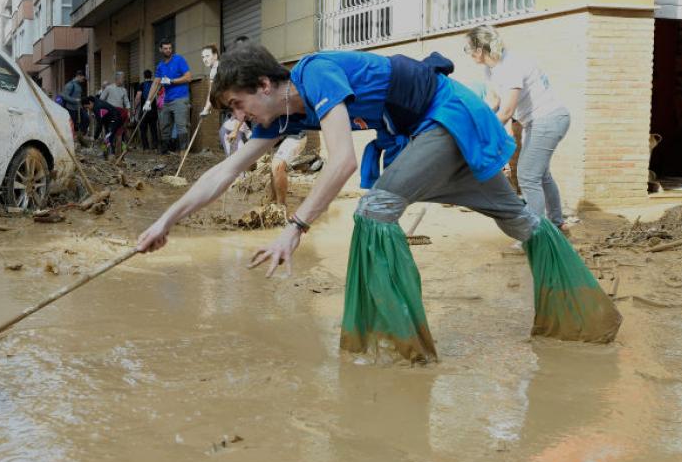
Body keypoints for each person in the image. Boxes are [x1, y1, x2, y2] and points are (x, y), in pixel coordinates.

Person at [135, 43, 620, 364]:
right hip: (424, 129)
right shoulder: (279, 118)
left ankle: (398, 348)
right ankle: (586, 320)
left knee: (376, 207)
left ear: (264, 85)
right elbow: (224, 171)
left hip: (446, 114)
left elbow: (343, 161)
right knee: (520, 220)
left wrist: (296, 227)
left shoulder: (315, 74)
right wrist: (164, 222)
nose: (239, 118)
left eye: (238, 105)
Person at [467, 25, 572, 232]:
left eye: (468, 49)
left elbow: (506, 111)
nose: (468, 54)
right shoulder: (491, 68)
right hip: (536, 122)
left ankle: (534, 233)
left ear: (479, 50)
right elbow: (494, 100)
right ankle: (557, 224)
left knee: (527, 175)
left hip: (548, 119)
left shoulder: (510, 66)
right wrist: (476, 123)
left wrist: (483, 133)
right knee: (541, 175)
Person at [154, 40, 193, 153]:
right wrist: (148, 101)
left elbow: (188, 77)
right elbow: (155, 83)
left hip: (180, 98)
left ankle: (183, 152)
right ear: (160, 50)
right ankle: (165, 153)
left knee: (181, 126)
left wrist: (171, 81)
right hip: (167, 100)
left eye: (170, 48)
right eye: (165, 48)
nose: (168, 50)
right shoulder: (160, 66)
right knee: (164, 126)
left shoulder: (179, 60)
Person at [99, 72, 132, 153]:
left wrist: (128, 111)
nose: (124, 80)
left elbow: (127, 102)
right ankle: (106, 151)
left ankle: (118, 153)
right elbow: (101, 99)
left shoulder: (124, 90)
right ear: (117, 78)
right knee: (109, 134)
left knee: (120, 134)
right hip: (110, 114)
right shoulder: (109, 88)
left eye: (124, 78)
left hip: (120, 114)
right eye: (123, 78)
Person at [135, 69, 161, 152]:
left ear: (144, 76)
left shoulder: (141, 85)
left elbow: (138, 97)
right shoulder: (155, 84)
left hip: (144, 110)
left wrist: (135, 107)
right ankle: (155, 147)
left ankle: (146, 148)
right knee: (153, 129)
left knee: (143, 129)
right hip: (153, 110)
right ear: (151, 76)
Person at [61, 71, 86, 139]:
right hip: (70, 108)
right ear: (78, 76)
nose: (83, 80)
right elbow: (64, 96)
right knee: (72, 124)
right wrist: (74, 100)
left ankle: (81, 135)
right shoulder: (70, 85)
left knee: (86, 119)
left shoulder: (78, 85)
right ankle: (72, 138)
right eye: (82, 78)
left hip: (78, 107)